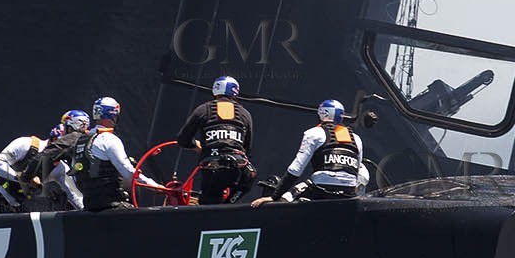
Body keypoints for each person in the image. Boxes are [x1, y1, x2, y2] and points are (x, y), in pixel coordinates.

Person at [250, 99, 367, 207]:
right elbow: (357, 171)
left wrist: (273, 196)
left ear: (323, 113)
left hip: (321, 190)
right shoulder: (356, 139)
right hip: (348, 194)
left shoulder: (314, 133)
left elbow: (296, 169)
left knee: (286, 198)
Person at [64, 96, 164, 211]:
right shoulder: (109, 139)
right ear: (113, 115)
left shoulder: (80, 141)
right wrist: (156, 186)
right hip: (112, 205)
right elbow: (128, 173)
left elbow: (75, 177)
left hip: (89, 205)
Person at [0, 110, 87, 214]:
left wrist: (89, 212)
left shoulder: (60, 168)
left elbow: (74, 195)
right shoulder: (25, 144)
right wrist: (22, 178)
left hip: (17, 206)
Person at [176, 75, 255, 204]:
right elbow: (248, 148)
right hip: (237, 167)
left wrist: (198, 147)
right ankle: (229, 205)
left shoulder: (202, 110)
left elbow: (182, 139)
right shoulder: (245, 114)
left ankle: (207, 211)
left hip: (211, 168)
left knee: (209, 198)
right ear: (235, 92)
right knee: (249, 176)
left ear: (214, 90)